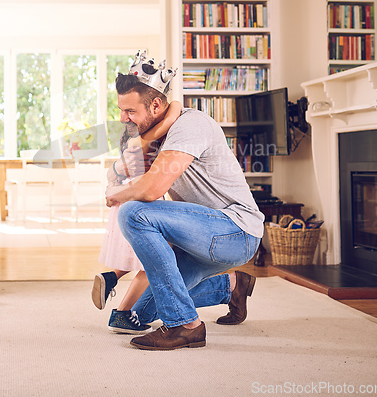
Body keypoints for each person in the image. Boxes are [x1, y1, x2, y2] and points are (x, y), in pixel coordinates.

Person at [105, 51, 265, 351]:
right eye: (121, 110)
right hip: (199, 237)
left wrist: (117, 195)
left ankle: (186, 327)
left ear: (155, 104)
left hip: (236, 231)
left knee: (132, 213)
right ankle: (232, 286)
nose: (123, 118)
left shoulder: (191, 125)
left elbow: (151, 191)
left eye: (130, 111)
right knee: (143, 313)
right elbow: (126, 176)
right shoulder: (153, 136)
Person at [92, 99, 182, 335]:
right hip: (140, 204)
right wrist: (174, 103)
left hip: (124, 204)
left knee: (138, 258)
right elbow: (172, 117)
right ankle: (122, 313)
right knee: (153, 264)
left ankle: (111, 277)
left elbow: (113, 177)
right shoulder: (139, 145)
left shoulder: (126, 153)